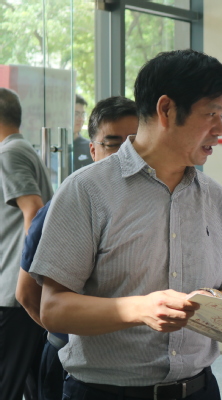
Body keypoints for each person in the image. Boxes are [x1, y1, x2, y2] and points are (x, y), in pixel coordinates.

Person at [29, 49, 222, 400]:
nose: (220, 130)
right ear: (166, 109)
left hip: (199, 388)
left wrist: (210, 300)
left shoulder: (216, 197)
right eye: (211, 114)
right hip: (105, 393)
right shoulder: (87, 190)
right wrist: (139, 309)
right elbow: (53, 309)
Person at [16, 95, 139, 400]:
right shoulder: (64, 206)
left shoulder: (154, 206)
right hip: (70, 363)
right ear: (93, 150)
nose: (126, 154)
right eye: (113, 144)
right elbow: (27, 294)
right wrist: (69, 338)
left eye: (135, 143)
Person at [0, 87, 54, 400]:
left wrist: (25, 279)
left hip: (12, 292)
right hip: (22, 290)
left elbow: (33, 210)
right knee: (35, 386)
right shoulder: (24, 149)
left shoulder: (9, 153)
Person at [72, 94, 93, 171]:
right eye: (76, 114)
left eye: (83, 114)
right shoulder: (53, 148)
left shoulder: (90, 147)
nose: (80, 119)